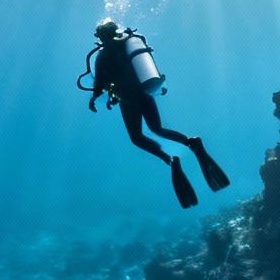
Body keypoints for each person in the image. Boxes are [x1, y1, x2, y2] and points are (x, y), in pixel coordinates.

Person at [81, 18, 230, 208]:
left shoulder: (103, 55)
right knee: (157, 129)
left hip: (128, 100)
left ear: (100, 36)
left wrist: (94, 99)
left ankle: (169, 159)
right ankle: (191, 142)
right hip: (145, 95)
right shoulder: (128, 44)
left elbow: (99, 83)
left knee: (136, 138)